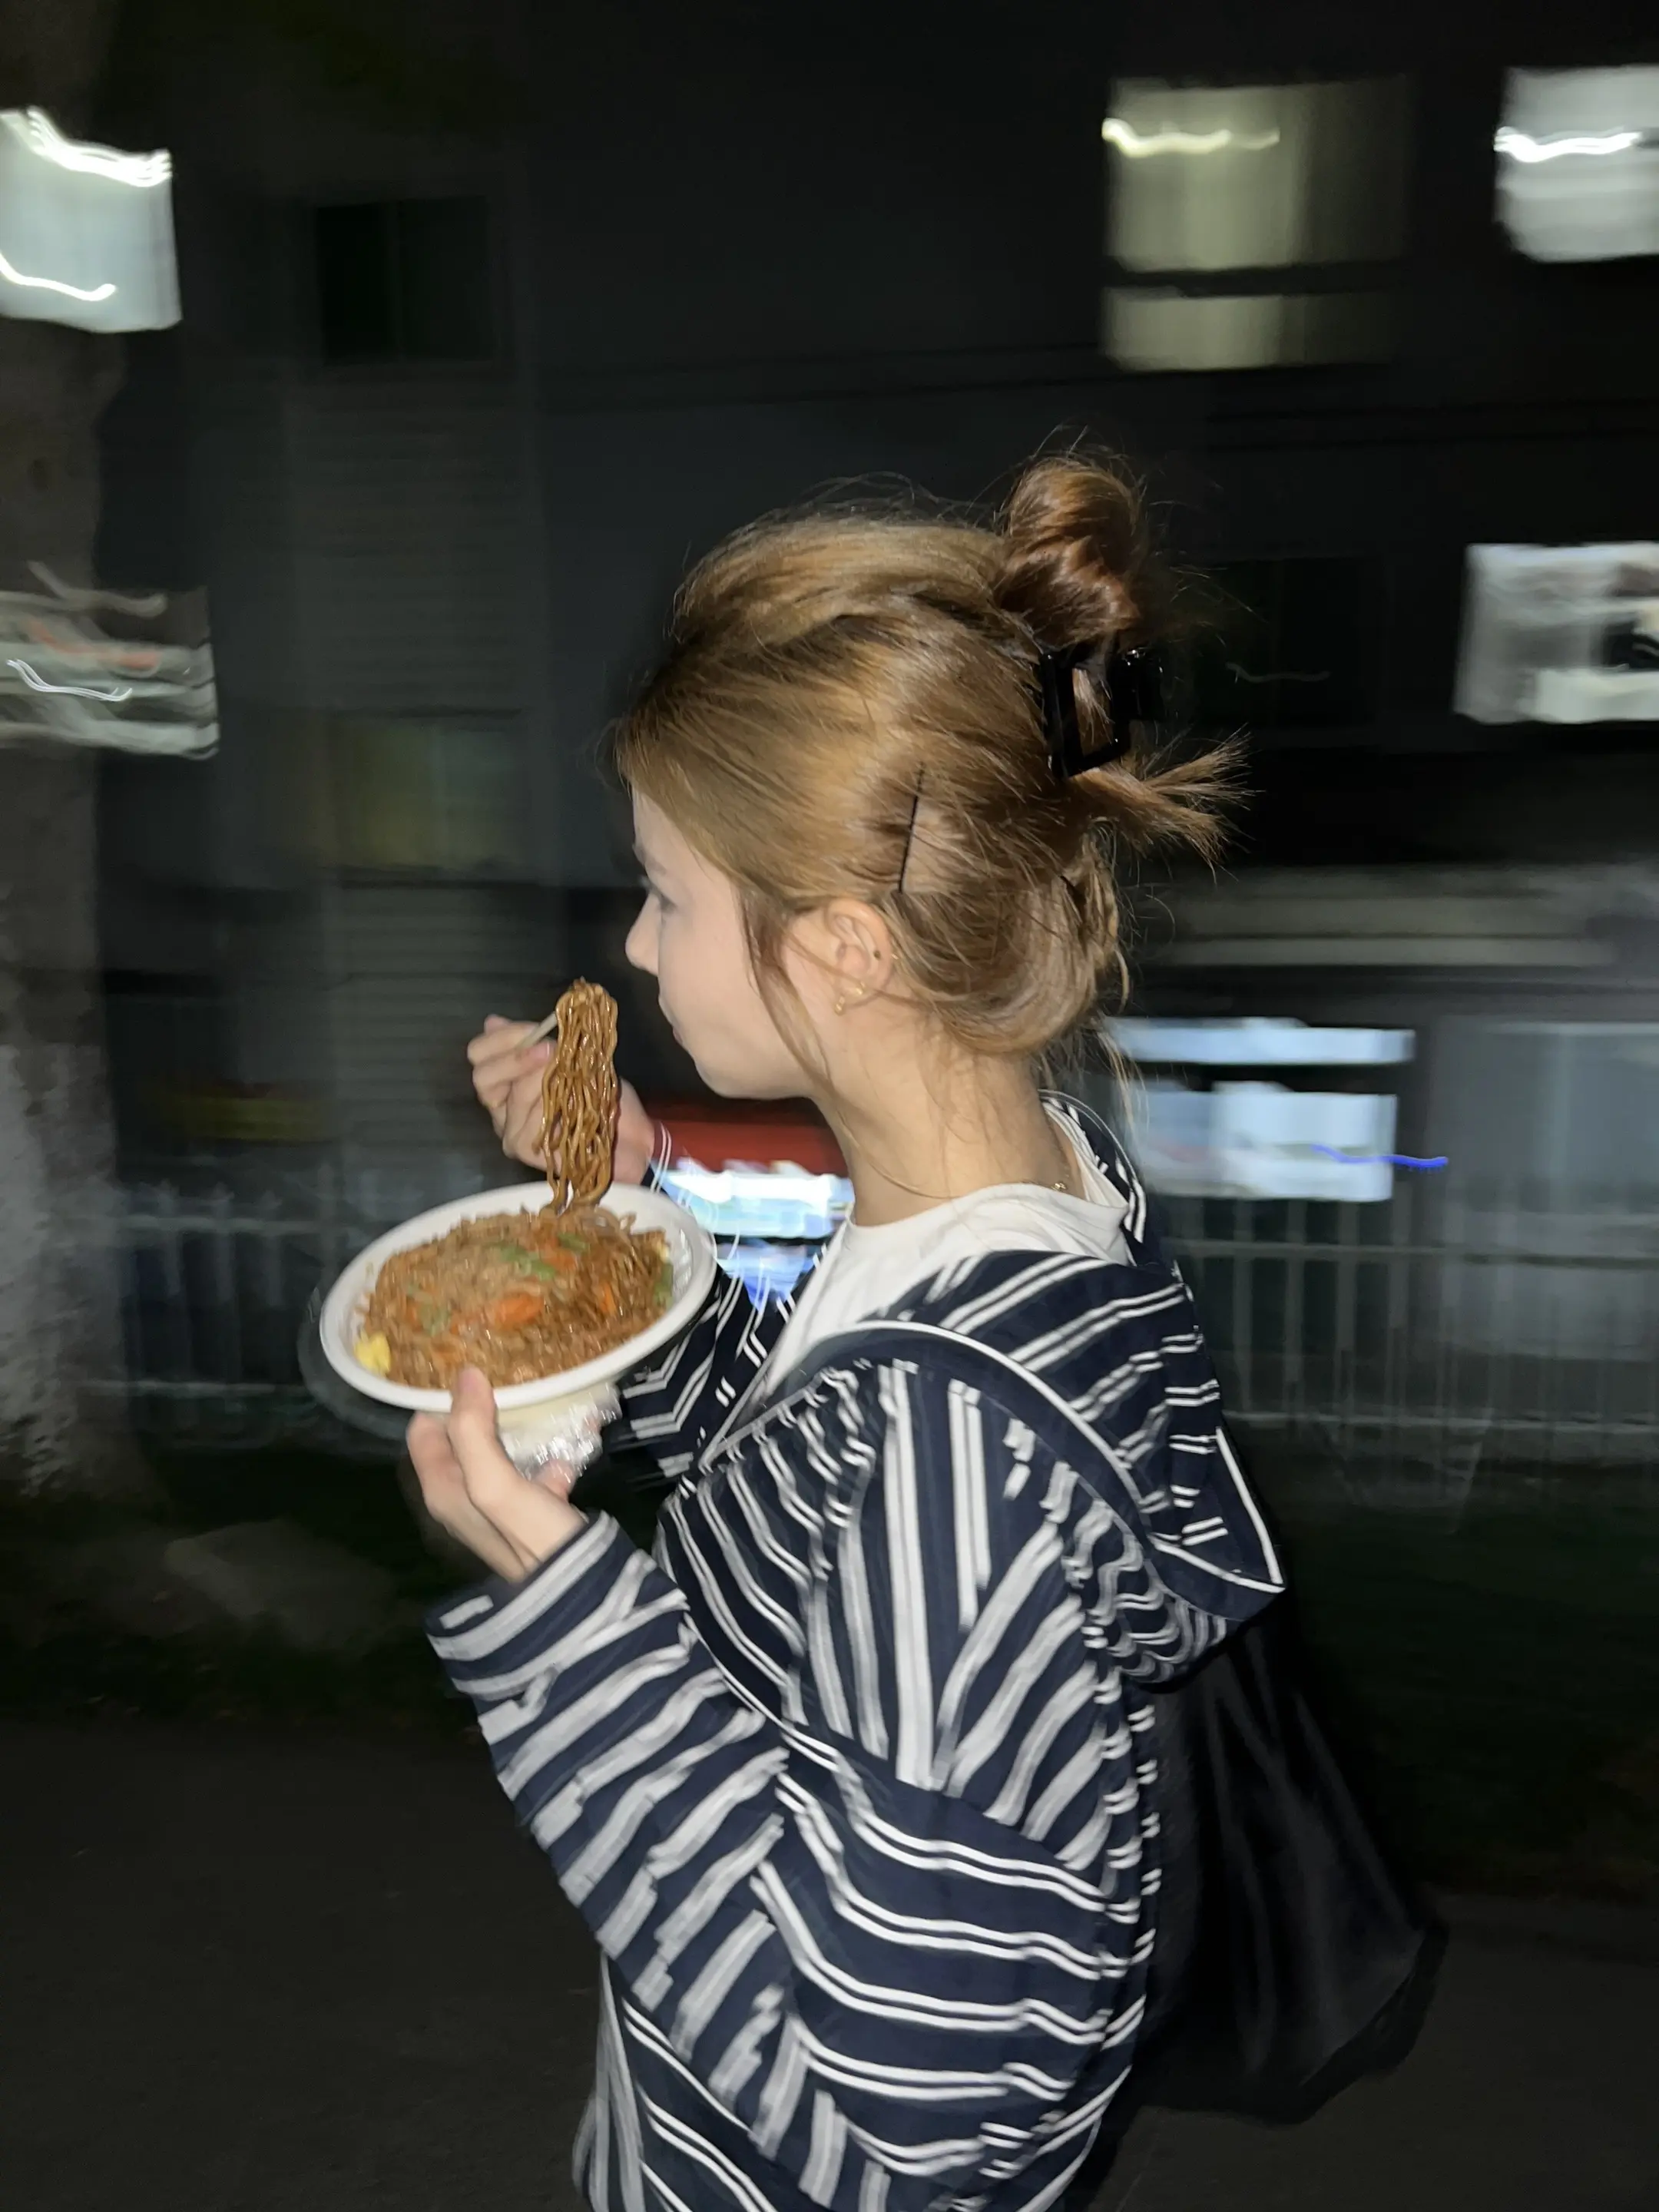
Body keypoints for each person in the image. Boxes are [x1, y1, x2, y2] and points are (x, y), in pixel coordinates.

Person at [408, 454, 1285, 2212]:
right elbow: (816, 1473)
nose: (638, 947)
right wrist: (634, 1211)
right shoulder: (1027, 1208)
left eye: (667, 894)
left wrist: (567, 1613)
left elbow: (904, 2119)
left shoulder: (967, 1432)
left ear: (850, 946)